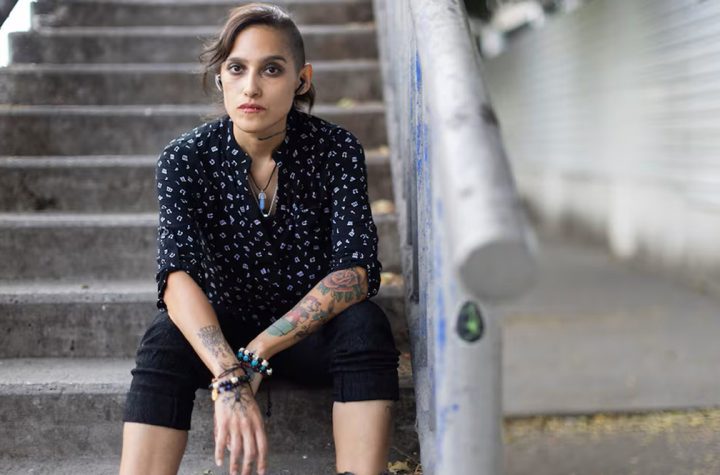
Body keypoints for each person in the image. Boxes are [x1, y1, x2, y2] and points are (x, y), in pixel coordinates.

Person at [118, 3, 400, 475]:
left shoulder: (336, 149)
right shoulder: (186, 159)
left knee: (365, 323)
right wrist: (230, 374)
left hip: (310, 335)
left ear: (301, 79)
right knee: (165, 336)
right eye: (237, 68)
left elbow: (355, 273)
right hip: (223, 335)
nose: (251, 86)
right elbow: (176, 277)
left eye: (271, 69)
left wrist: (259, 353)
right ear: (220, 78)